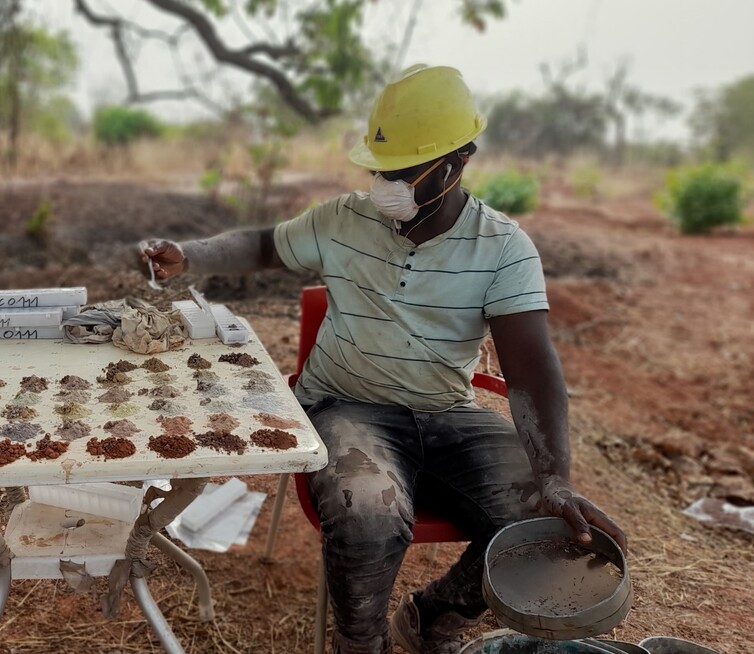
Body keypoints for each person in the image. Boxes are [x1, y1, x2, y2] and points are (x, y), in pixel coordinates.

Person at [136, 64, 627, 654]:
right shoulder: (342, 220)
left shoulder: (502, 247)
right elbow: (266, 244)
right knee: (366, 508)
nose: (383, 183)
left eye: (402, 172)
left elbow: (532, 367)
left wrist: (555, 477)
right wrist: (188, 254)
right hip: (349, 407)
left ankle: (434, 613)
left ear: (457, 162)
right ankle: (360, 642)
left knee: (549, 528)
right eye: (378, 169)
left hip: (449, 412)